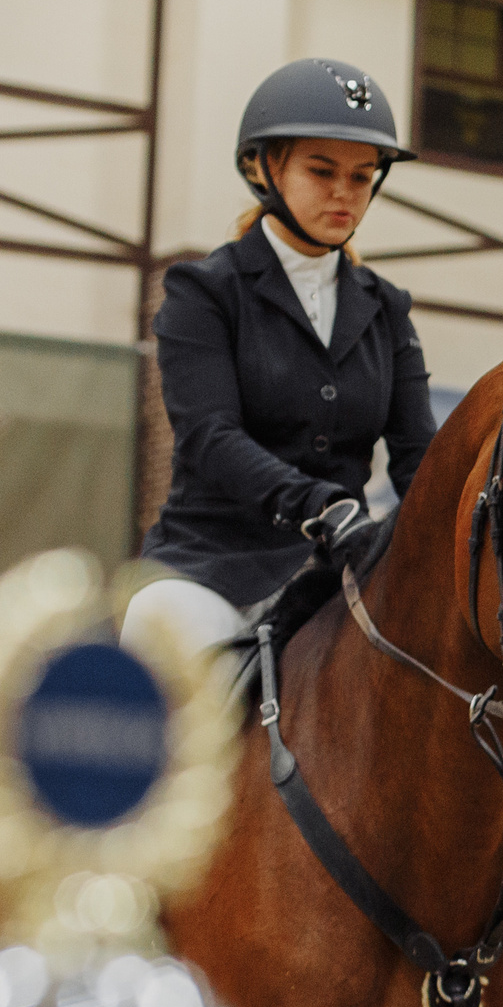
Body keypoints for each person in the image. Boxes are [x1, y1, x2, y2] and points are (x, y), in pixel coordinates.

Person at [124, 57, 433, 654]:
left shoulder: (386, 309)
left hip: (340, 573)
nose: (345, 194)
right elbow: (209, 437)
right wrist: (321, 504)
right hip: (212, 570)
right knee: (158, 640)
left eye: (363, 176)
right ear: (262, 168)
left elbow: (417, 456)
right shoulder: (206, 291)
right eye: (322, 171)